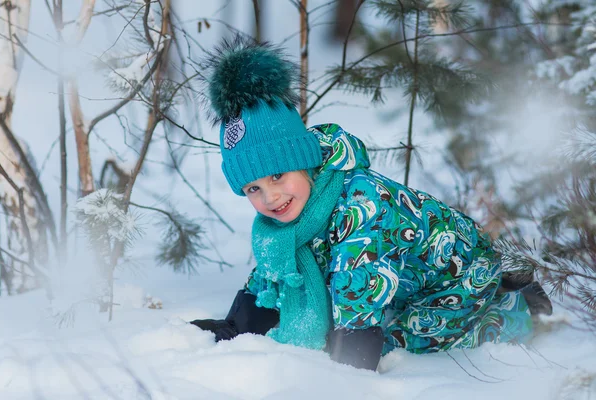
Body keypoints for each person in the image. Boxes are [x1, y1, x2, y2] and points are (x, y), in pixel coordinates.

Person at [189, 37, 552, 371]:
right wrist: (240, 326)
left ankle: (515, 308)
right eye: (253, 188)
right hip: (403, 275)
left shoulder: (362, 205)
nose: (270, 197)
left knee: (408, 340)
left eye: (278, 177)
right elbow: (275, 269)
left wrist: (347, 367)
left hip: (456, 277)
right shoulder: (299, 203)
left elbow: (358, 292)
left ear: (305, 160)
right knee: (376, 312)